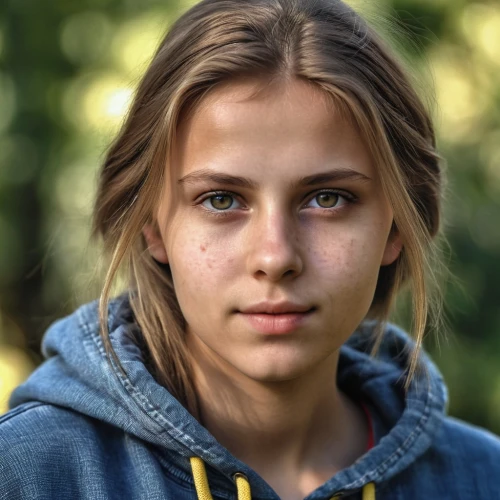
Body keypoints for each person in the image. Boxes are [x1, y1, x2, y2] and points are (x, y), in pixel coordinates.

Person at [1, 0, 499, 498]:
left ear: (396, 227)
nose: (276, 257)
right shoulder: (29, 475)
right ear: (151, 224)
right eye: (221, 200)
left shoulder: (482, 479)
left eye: (328, 199)